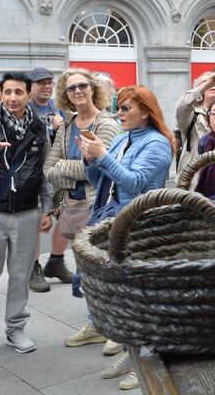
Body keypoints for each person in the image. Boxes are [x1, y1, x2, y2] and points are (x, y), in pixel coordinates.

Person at [67, 85, 173, 391]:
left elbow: (136, 183)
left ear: (146, 112)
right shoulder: (124, 138)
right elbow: (99, 178)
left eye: (126, 108)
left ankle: (148, 359)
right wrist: (91, 159)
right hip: (111, 217)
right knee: (121, 294)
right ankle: (132, 354)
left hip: (138, 226)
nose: (120, 114)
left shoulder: (158, 144)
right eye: (119, 107)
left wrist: (102, 155)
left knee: (139, 297)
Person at [0, 72, 53, 362]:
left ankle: (16, 328)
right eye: (7, 92)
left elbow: (45, 170)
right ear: (0, 95)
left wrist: (47, 206)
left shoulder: (40, 127)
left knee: (19, 275)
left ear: (28, 94)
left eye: (18, 92)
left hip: (27, 211)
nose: (13, 98)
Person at [44, 69, 120, 298]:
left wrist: (64, 167)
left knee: (96, 267)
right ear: (65, 94)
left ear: (93, 88)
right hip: (73, 205)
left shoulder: (106, 124)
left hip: (97, 205)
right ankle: (93, 317)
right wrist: (78, 167)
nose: (77, 91)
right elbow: (48, 169)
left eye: (82, 85)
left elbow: (98, 169)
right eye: (71, 87)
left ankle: (100, 319)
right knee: (83, 267)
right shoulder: (67, 126)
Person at [26, 67, 66, 292]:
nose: (47, 87)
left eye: (50, 83)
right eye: (41, 83)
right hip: (35, 172)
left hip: (59, 171)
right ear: (30, 87)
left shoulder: (56, 107)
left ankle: (56, 261)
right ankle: (34, 267)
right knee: (37, 219)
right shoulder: (25, 108)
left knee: (65, 214)